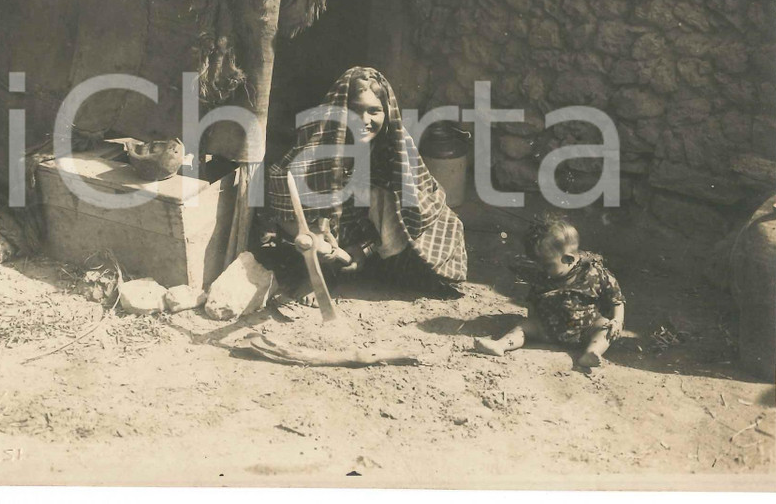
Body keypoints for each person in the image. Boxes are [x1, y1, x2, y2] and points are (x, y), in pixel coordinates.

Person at [254, 66, 467, 301]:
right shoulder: (321, 142)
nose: (364, 120)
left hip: (372, 236)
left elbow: (420, 200)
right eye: (354, 111)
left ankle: (368, 264)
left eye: (374, 111)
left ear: (386, 113)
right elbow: (282, 185)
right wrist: (316, 239)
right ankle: (324, 272)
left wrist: (366, 248)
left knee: (400, 202)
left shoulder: (393, 146)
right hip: (328, 232)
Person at [473, 217, 625, 368]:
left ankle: (592, 352)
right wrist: (534, 320)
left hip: (585, 328)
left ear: (568, 259)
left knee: (605, 328)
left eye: (546, 265)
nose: (541, 269)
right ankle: (501, 345)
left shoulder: (594, 273)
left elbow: (616, 298)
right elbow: (533, 299)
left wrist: (617, 320)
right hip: (548, 327)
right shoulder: (545, 275)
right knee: (524, 326)